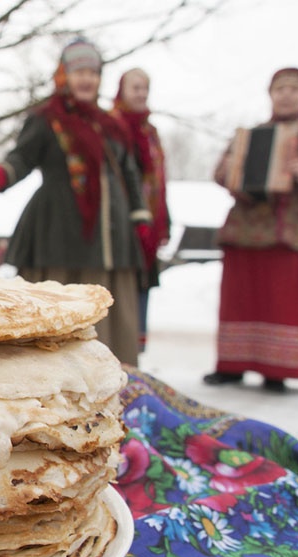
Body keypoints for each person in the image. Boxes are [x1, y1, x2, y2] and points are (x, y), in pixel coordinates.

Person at [0, 39, 151, 366]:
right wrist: (5, 172)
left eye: (92, 72)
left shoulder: (111, 126)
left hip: (111, 238)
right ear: (65, 75)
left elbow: (129, 174)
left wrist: (140, 216)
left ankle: (111, 376)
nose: (86, 79)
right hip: (58, 233)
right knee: (57, 306)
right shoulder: (47, 119)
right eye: (79, 72)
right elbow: (23, 155)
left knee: (110, 311)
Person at [203, 67, 298, 392]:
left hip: (294, 232)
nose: (286, 94)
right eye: (280, 88)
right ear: (271, 94)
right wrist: (229, 173)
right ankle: (231, 365)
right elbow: (223, 171)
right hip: (248, 229)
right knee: (241, 299)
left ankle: (276, 369)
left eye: (294, 89)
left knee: (283, 301)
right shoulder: (249, 135)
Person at [109, 68, 171, 354]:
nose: (141, 93)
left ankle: (134, 349)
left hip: (148, 221)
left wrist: (163, 220)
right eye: (135, 87)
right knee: (122, 287)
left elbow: (157, 179)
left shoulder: (150, 132)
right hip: (121, 221)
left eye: (145, 87)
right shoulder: (113, 125)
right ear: (121, 90)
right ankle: (118, 347)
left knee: (142, 284)